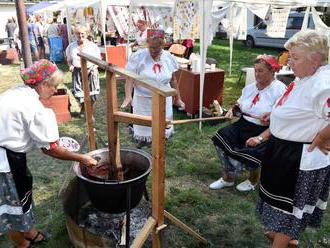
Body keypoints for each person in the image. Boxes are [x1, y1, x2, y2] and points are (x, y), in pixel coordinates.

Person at [0, 59, 97, 248]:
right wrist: (81, 157)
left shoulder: (17, 92)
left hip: (12, 156)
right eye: (54, 86)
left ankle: (30, 231)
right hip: (3, 163)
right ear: (44, 84)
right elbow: (50, 149)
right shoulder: (34, 108)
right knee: (10, 208)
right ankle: (22, 244)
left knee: (22, 195)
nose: (55, 91)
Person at [257, 30, 330, 247]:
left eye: (295, 57)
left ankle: (282, 239)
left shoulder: (323, 84)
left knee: (289, 210)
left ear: (315, 60)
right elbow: (301, 108)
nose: (290, 61)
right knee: (281, 204)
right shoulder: (306, 76)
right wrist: (277, 116)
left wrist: (323, 136)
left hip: (298, 158)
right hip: (284, 151)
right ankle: (285, 236)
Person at [209, 55, 286, 192]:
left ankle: (253, 179)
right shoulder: (251, 87)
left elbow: (281, 120)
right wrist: (233, 110)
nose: (257, 74)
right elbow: (240, 104)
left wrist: (260, 137)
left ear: (272, 71)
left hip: (265, 130)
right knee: (221, 137)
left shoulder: (280, 90)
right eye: (255, 70)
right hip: (244, 124)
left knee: (251, 153)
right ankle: (228, 178)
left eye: (261, 71)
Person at [121, 29, 185, 146]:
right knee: (144, 129)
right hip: (143, 100)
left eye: (157, 48)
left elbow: (173, 80)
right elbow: (129, 79)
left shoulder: (168, 58)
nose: (153, 50)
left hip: (163, 101)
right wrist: (128, 96)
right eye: (151, 47)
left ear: (163, 45)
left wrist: (178, 98)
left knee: (161, 128)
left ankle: (159, 150)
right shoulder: (138, 57)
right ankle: (143, 148)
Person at [66, 25, 101, 117]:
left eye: (82, 33)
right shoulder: (71, 46)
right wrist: (70, 66)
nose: (80, 36)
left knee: (93, 92)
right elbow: (69, 59)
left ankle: (89, 112)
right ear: (74, 35)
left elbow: (98, 60)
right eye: (78, 34)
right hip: (77, 71)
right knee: (79, 93)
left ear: (87, 34)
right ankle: (83, 108)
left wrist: (94, 68)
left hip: (91, 70)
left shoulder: (92, 46)